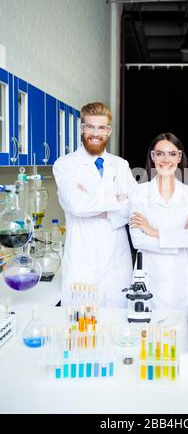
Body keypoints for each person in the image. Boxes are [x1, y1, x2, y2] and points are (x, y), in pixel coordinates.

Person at [53, 102, 137, 306]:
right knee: (81, 330)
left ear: (108, 131)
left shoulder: (120, 165)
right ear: (82, 129)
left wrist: (102, 210)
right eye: (90, 127)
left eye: (101, 128)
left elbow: (133, 206)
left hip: (117, 263)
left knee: (117, 330)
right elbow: (77, 205)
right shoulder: (65, 164)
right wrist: (115, 200)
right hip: (83, 264)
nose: (95, 133)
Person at [129, 133, 188, 310]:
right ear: (152, 156)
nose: (166, 159)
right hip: (149, 276)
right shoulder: (138, 193)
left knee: (182, 332)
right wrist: (181, 235)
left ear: (179, 157)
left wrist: (153, 231)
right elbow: (138, 240)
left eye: (172, 154)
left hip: (181, 280)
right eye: (160, 153)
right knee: (147, 332)